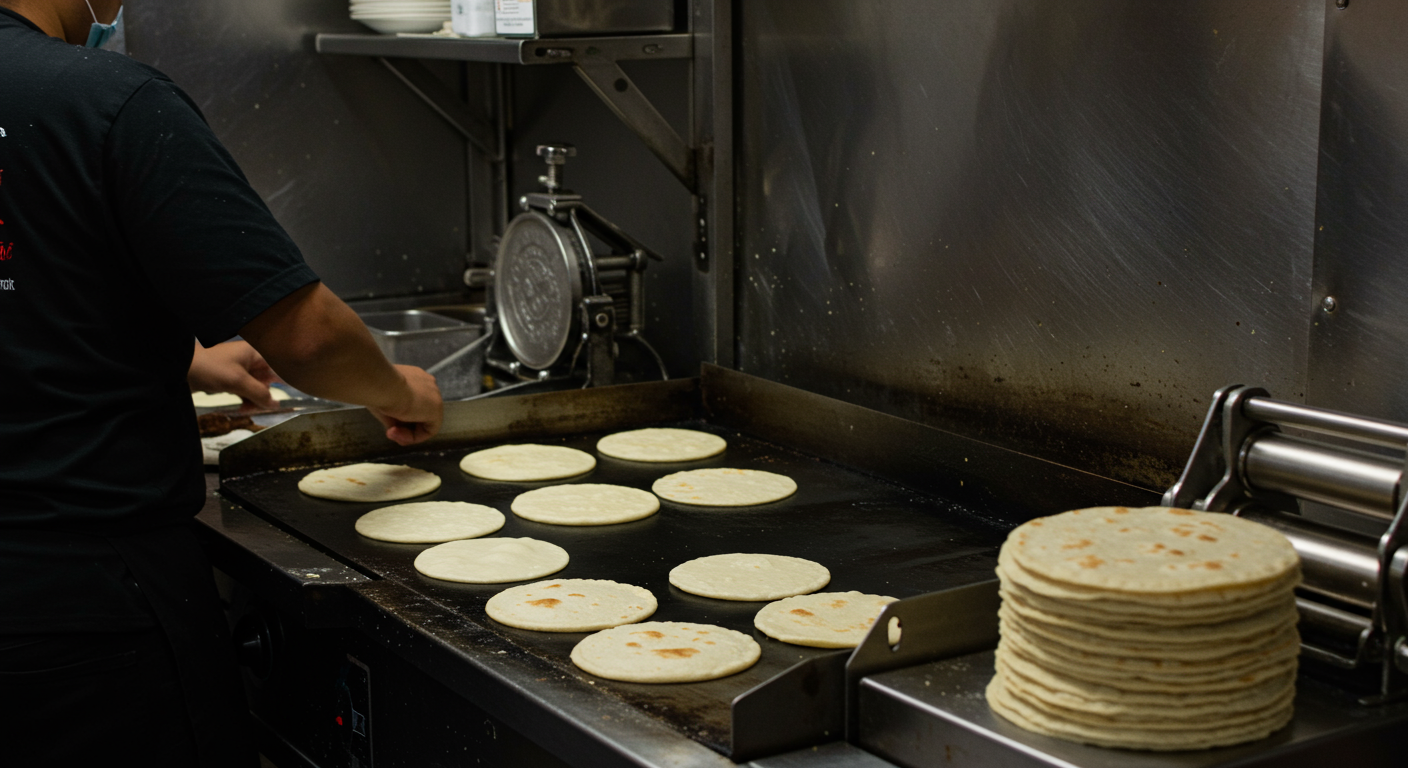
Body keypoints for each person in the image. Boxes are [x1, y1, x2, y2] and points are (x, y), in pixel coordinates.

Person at [0, 2, 444, 764]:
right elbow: (307, 337)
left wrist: (178, 358)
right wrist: (397, 390)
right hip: (83, 603)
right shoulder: (109, 101)